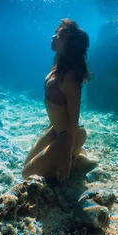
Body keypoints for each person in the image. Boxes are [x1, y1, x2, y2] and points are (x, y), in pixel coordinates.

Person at [22, 19, 97, 181]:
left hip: (68, 134)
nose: (53, 37)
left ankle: (76, 160)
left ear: (69, 44)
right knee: (26, 166)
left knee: (27, 175)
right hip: (56, 131)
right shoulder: (58, 65)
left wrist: (65, 154)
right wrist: (51, 125)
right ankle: (75, 156)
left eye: (59, 35)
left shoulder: (70, 77)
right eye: (56, 33)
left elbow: (73, 115)